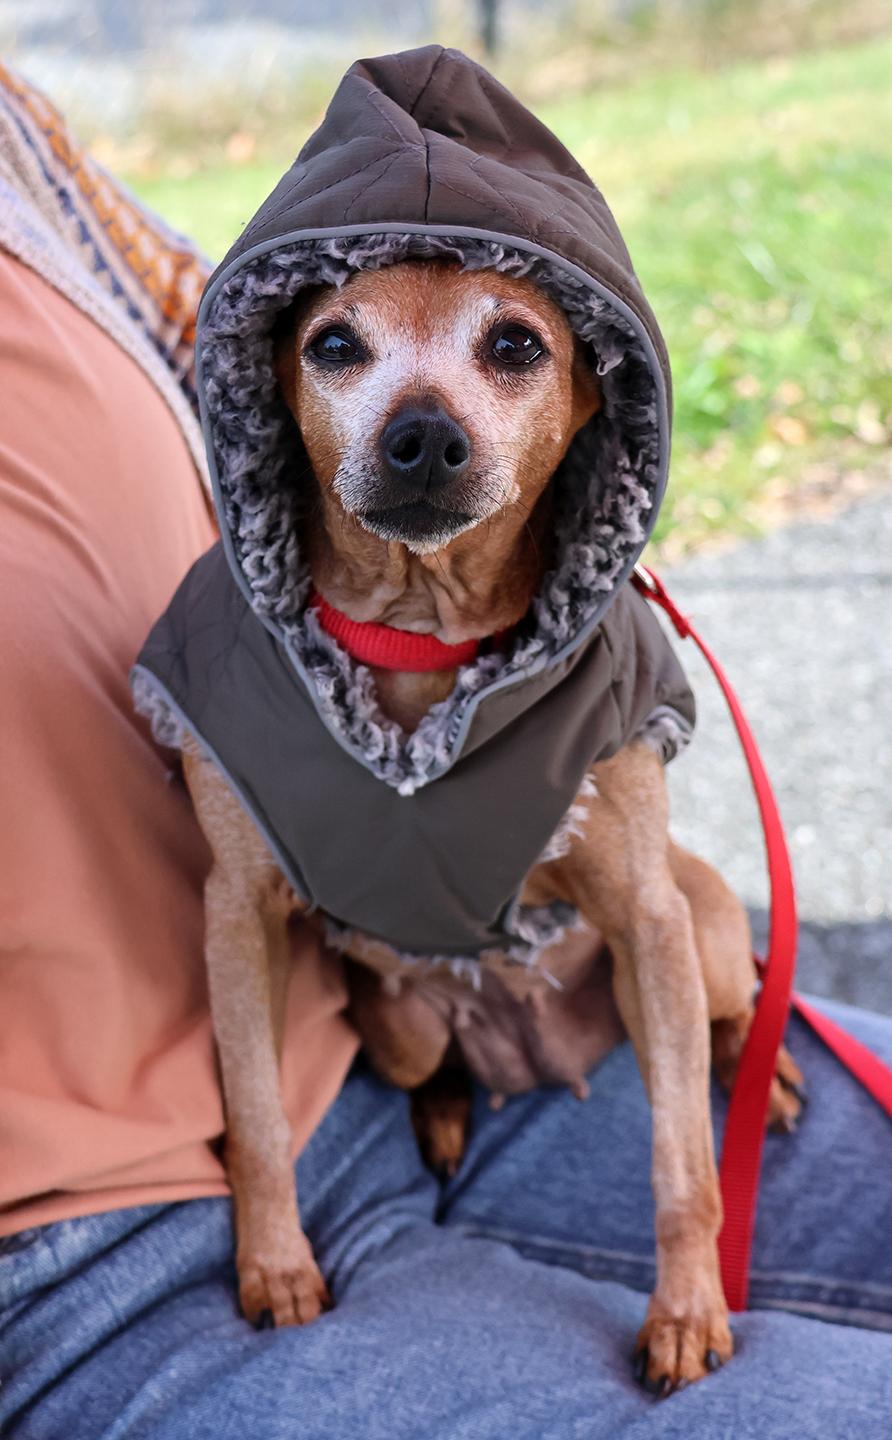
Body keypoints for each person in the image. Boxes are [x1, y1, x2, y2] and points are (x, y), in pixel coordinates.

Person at [1, 66, 890, 1440]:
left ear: (591, 401)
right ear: (285, 398)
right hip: (178, 1194)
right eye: (346, 352)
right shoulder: (233, 680)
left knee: (702, 942)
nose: (425, 419)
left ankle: (709, 1057)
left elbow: (212, 300)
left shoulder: (30, 143)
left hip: (551, 1008)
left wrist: (688, 1224)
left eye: (512, 350)